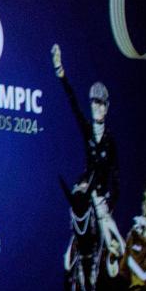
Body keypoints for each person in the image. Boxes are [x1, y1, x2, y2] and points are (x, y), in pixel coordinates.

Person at [52, 43, 117, 210]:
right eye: (94, 103)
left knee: (111, 235)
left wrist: (109, 203)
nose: (97, 107)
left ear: (106, 107)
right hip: (86, 192)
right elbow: (73, 102)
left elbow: (115, 178)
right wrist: (60, 71)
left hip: (102, 199)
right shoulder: (87, 130)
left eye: (101, 103)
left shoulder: (110, 141)